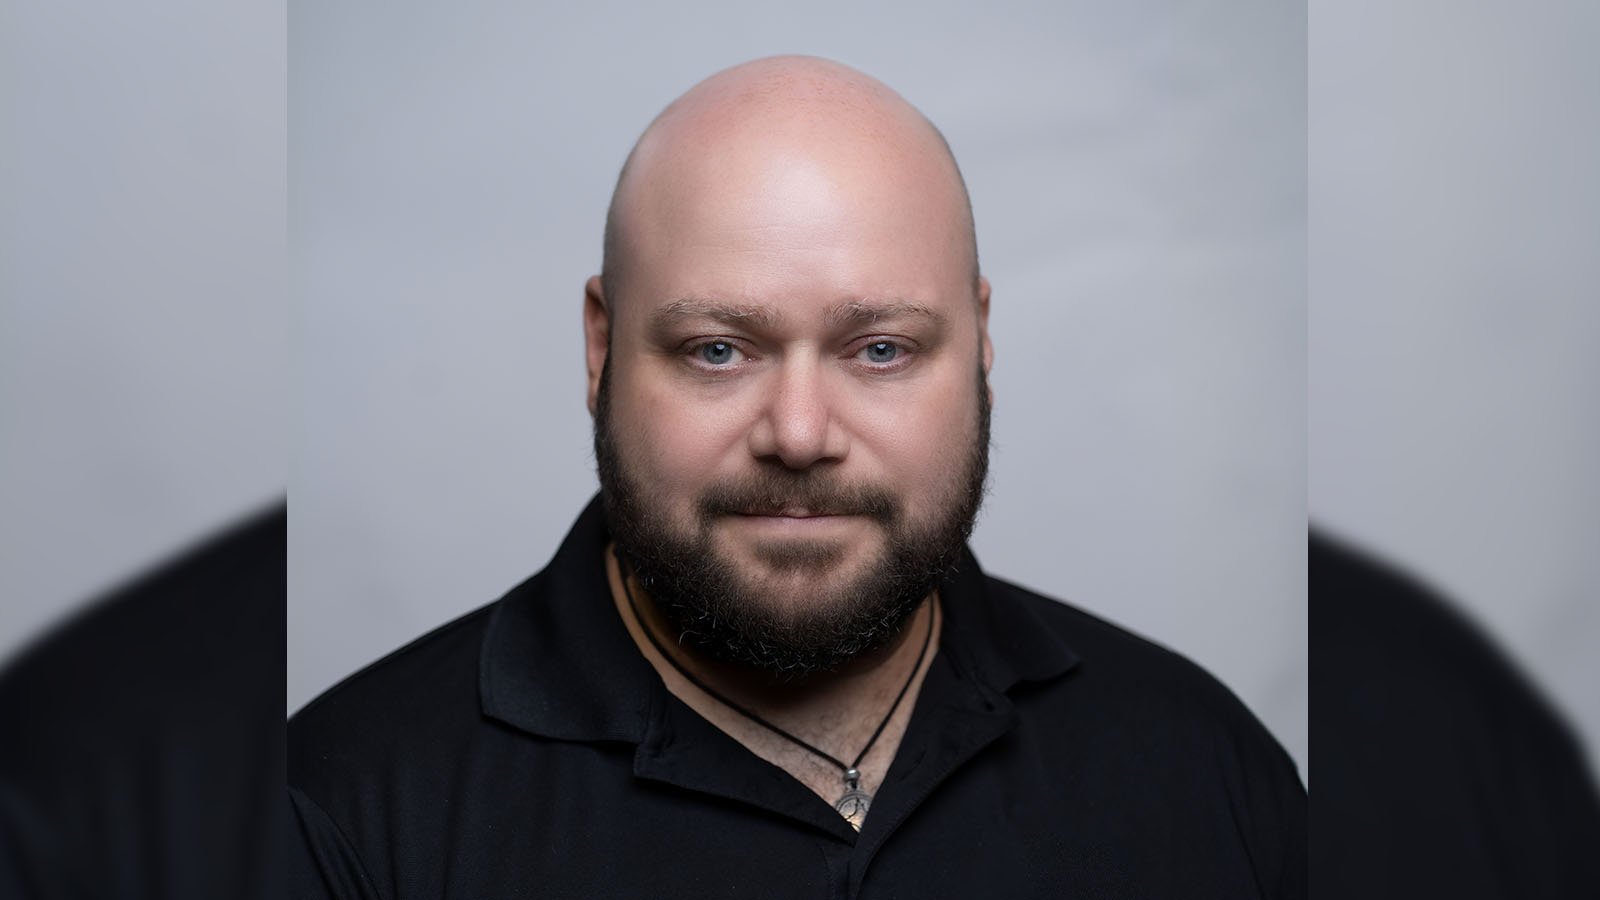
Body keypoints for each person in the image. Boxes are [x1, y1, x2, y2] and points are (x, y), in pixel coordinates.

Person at [288, 56, 1305, 898]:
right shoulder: (335, 815)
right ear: (600, 348)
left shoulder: (1203, 766)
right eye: (718, 351)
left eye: (880, 350)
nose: (801, 434)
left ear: (982, 339)